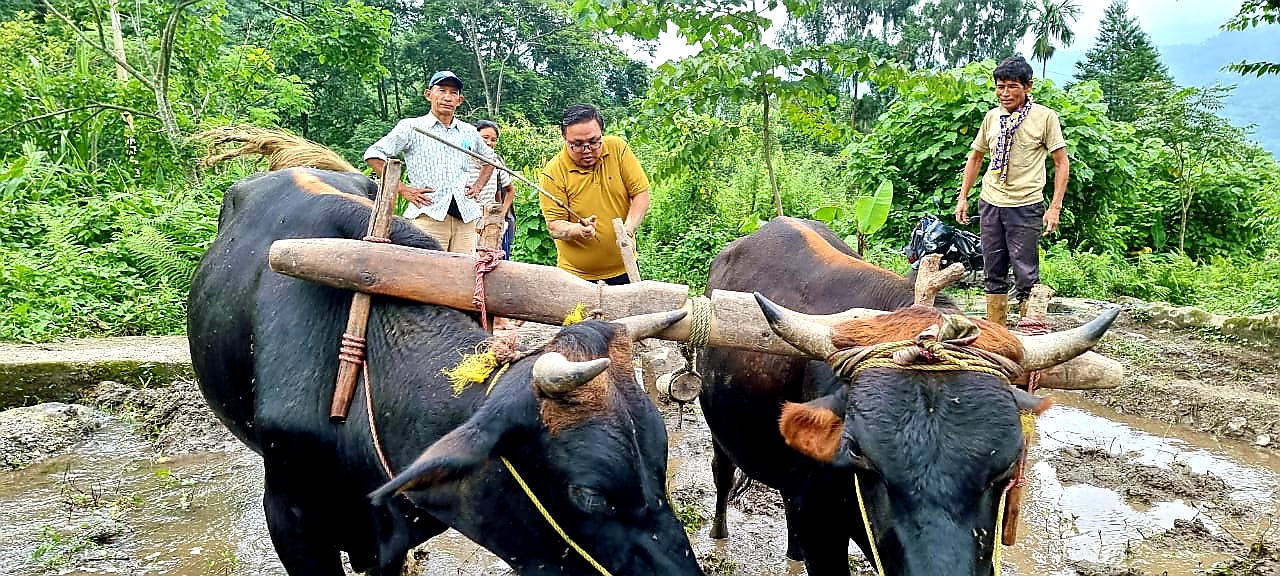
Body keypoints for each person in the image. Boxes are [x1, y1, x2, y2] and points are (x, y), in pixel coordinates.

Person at [954, 56, 1069, 323]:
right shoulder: (992, 118)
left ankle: (1031, 330)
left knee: (1026, 273)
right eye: (1000, 86)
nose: (1005, 93)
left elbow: (1061, 163)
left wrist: (1055, 207)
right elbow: (976, 157)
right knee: (992, 270)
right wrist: (963, 198)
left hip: (1025, 204)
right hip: (991, 202)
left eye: (1012, 87)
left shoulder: (1045, 118)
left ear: (1028, 87)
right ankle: (997, 331)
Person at [364, 70, 497, 254]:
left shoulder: (469, 131)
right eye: (441, 90)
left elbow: (490, 159)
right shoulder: (412, 127)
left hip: (465, 217)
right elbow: (373, 154)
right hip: (429, 213)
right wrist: (404, 190)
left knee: (463, 274)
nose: (447, 97)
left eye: (453, 93)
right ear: (429, 94)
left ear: (459, 100)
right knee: (425, 273)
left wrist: (478, 186)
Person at [538, 104, 651, 285]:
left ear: (601, 133)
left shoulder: (618, 149)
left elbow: (641, 195)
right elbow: (555, 226)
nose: (587, 150)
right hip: (577, 276)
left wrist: (627, 231)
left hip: (625, 267)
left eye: (594, 141)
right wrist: (577, 230)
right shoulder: (553, 172)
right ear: (564, 139)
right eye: (577, 145)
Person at [473, 119, 516, 260]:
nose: (489, 142)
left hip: (489, 223)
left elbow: (510, 190)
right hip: (467, 221)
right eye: (485, 137)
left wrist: (501, 214)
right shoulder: (463, 161)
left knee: (489, 260)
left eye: (493, 139)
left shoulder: (496, 163)